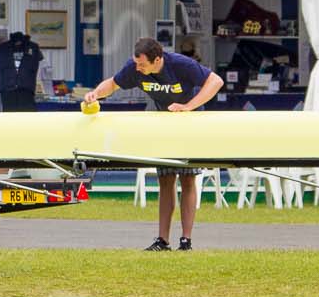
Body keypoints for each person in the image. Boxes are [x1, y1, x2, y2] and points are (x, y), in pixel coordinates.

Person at [81, 37, 223, 251]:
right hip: (162, 125)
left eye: (142, 64)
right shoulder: (134, 68)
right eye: (136, 63)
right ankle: (162, 241)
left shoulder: (181, 64)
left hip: (188, 124)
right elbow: (112, 83)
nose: (138, 68)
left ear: (158, 60)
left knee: (187, 179)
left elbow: (216, 82)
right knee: (165, 180)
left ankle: (186, 241)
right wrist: (96, 94)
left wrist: (188, 106)